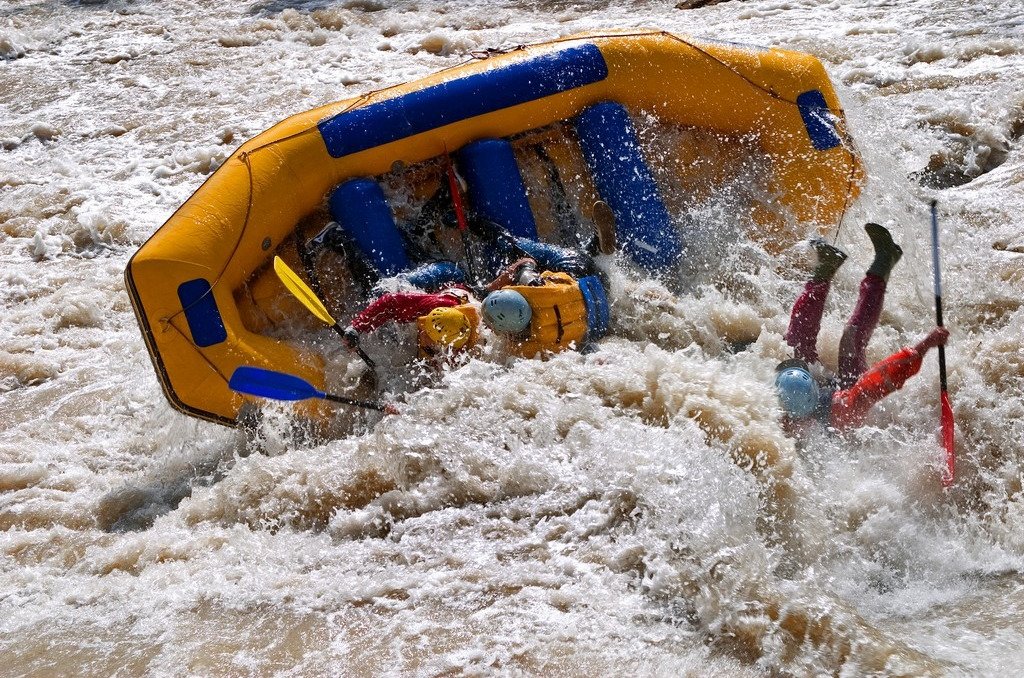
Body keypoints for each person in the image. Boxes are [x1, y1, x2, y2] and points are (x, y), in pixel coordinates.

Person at [775, 223, 949, 432]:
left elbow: (887, 373)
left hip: (832, 397)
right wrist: (925, 345)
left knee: (798, 341)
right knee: (851, 340)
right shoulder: (847, 410)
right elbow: (883, 378)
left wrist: (926, 344)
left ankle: (825, 270)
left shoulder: (795, 406)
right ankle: (884, 262)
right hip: (844, 407)